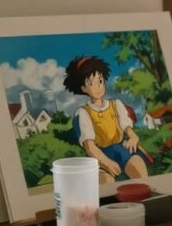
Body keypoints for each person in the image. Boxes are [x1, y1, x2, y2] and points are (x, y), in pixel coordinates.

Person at [63, 55, 149, 183]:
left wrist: (133, 137)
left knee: (138, 166)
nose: (98, 86)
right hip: (99, 156)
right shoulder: (83, 113)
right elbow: (90, 147)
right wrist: (107, 162)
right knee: (106, 181)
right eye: (91, 83)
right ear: (83, 88)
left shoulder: (116, 105)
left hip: (121, 151)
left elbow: (128, 129)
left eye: (100, 80)